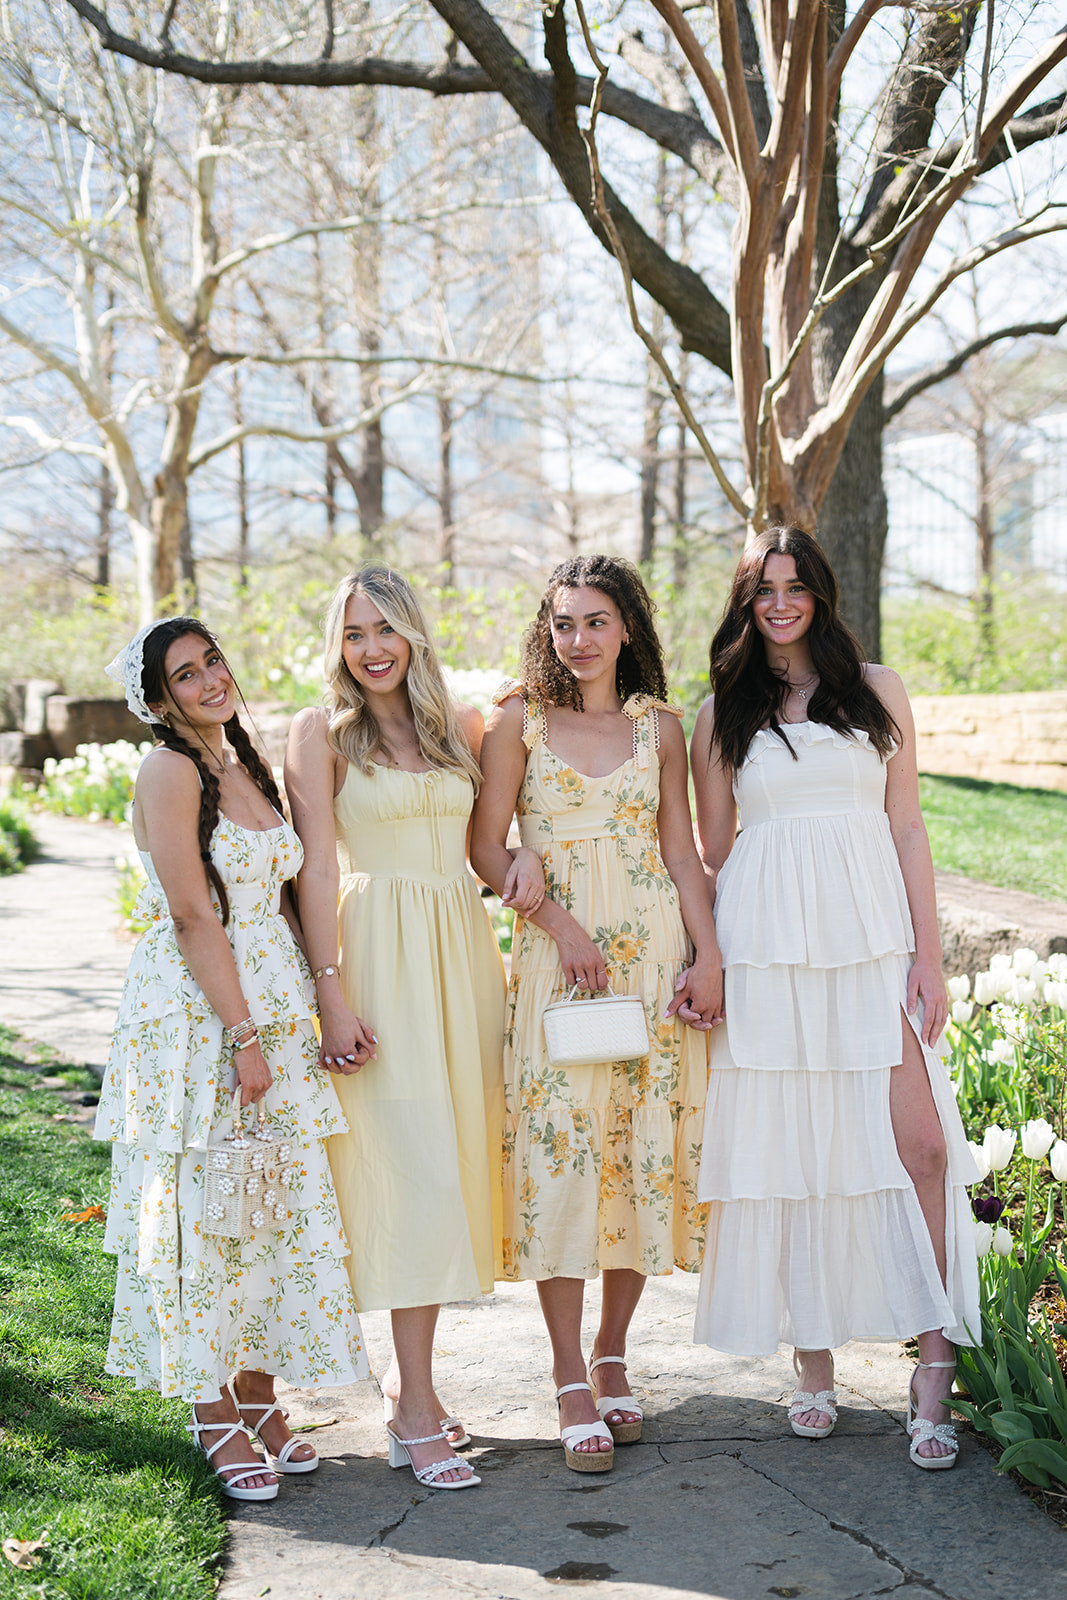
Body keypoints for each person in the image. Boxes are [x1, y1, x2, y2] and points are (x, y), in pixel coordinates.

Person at [690, 526, 980, 1469]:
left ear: (820, 593)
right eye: (763, 589)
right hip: (768, 946)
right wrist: (711, 958)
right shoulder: (722, 712)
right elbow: (713, 852)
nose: (779, 603)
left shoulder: (877, 691)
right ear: (746, 602)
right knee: (796, 1152)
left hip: (870, 940)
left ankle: (933, 1364)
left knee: (920, 1147)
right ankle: (812, 1363)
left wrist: (927, 957)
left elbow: (907, 828)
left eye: (795, 586)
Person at [96, 617, 367, 1504]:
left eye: (213, 661)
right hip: (200, 1017)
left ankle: (259, 1397)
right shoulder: (168, 770)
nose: (211, 679)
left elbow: (276, 897)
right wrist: (243, 1036)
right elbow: (190, 914)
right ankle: (210, 1410)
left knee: (266, 1205)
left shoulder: (240, 761)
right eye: (186, 673)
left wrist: (319, 1004)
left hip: (271, 1006)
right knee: (205, 1212)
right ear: (157, 698)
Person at [285, 565, 538, 1492]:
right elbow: (314, 870)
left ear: (413, 634)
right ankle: (415, 1408)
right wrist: (330, 991)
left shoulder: (458, 728)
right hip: (376, 959)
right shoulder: (321, 735)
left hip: (460, 957)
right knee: (406, 1168)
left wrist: (529, 854)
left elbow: (497, 831)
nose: (372, 649)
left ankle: (408, 1382)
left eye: (385, 629)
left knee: (453, 1162)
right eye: (354, 634)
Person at [470, 554, 723, 1473]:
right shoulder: (518, 723)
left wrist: (708, 956)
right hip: (559, 963)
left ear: (626, 629)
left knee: (634, 1155)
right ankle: (567, 1374)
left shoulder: (660, 726)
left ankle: (613, 1352)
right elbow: (483, 846)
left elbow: (681, 853)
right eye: (562, 622)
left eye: (594, 622)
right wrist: (554, 920)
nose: (577, 639)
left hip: (651, 958)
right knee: (561, 1155)